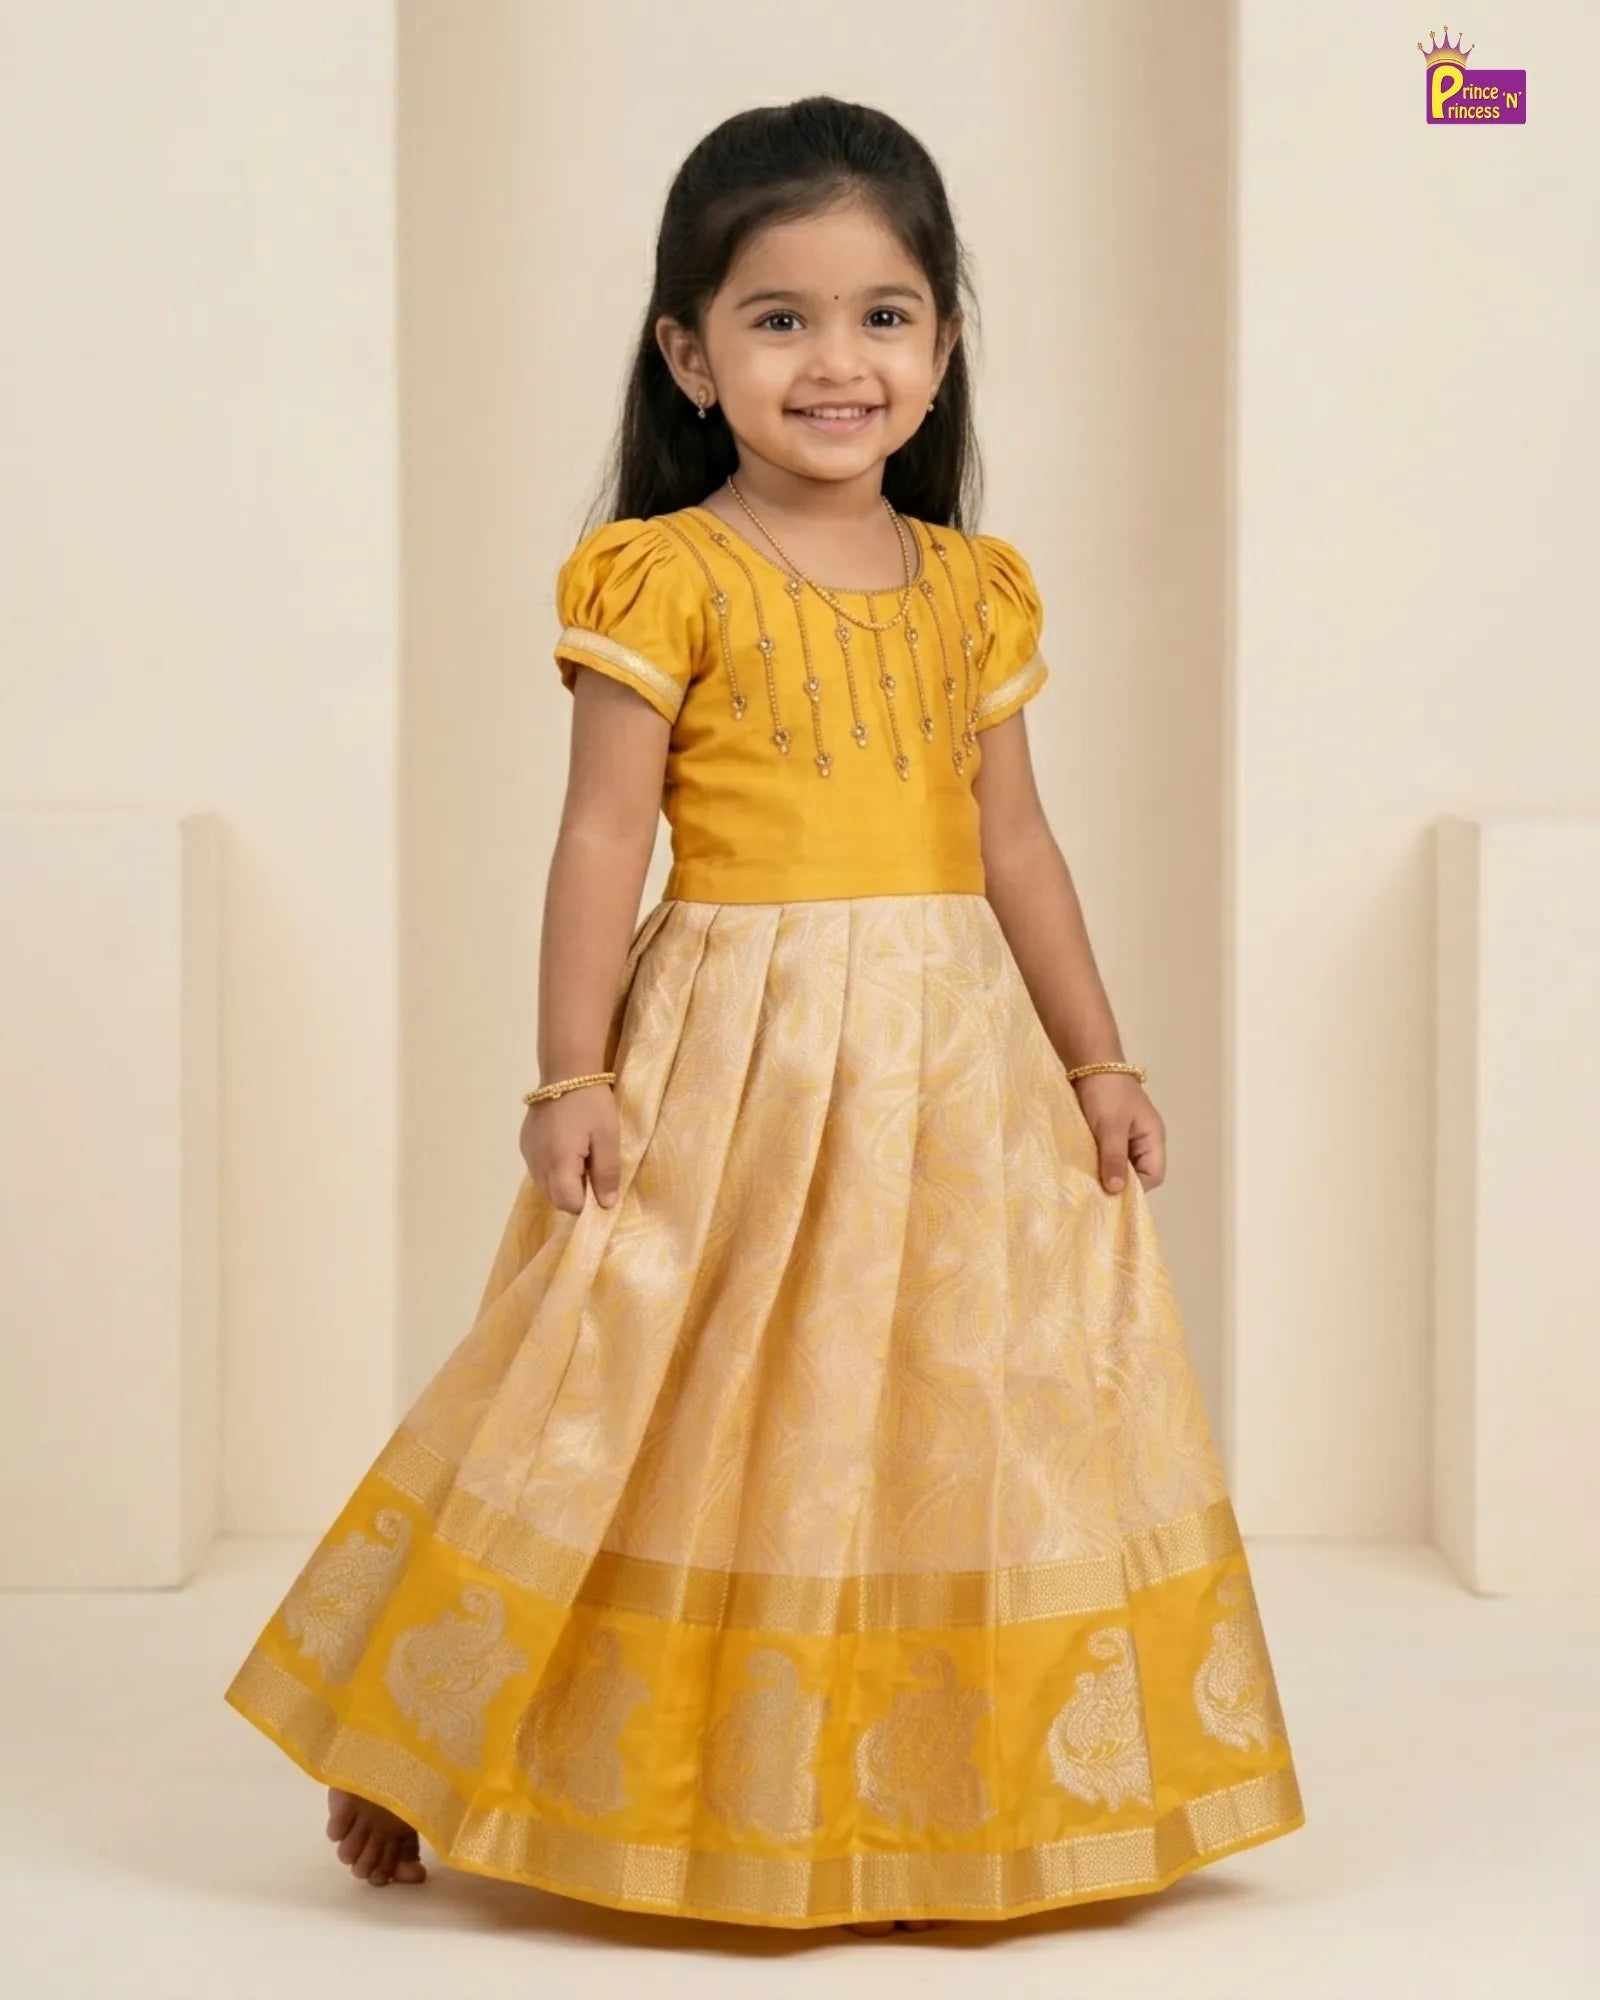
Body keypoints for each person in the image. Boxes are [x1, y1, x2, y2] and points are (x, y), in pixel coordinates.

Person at [224, 93, 1305, 1936]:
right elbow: (596, 839)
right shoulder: (667, 573)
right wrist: (569, 1071)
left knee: (958, 1411)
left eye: (885, 314)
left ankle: (909, 1800)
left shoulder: (974, 589)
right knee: (623, 1395)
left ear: (944, 344)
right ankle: (420, 1736)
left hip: (957, 1070)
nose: (838, 360)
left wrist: (1099, 1058)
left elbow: (1019, 844)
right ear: (689, 352)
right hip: (739, 1060)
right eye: (779, 318)